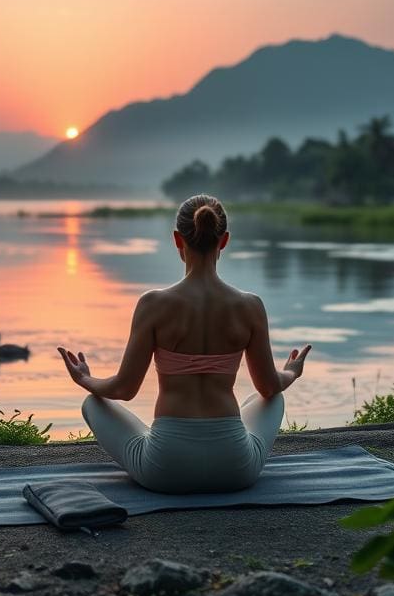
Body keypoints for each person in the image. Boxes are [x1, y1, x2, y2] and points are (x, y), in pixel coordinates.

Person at [57, 194, 311, 494]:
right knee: (273, 398)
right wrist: (292, 371)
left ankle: (161, 440)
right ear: (224, 240)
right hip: (235, 469)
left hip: (164, 470)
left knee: (93, 403)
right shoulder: (249, 306)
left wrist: (85, 378)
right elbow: (268, 387)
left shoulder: (153, 304)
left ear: (178, 240)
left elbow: (123, 390)